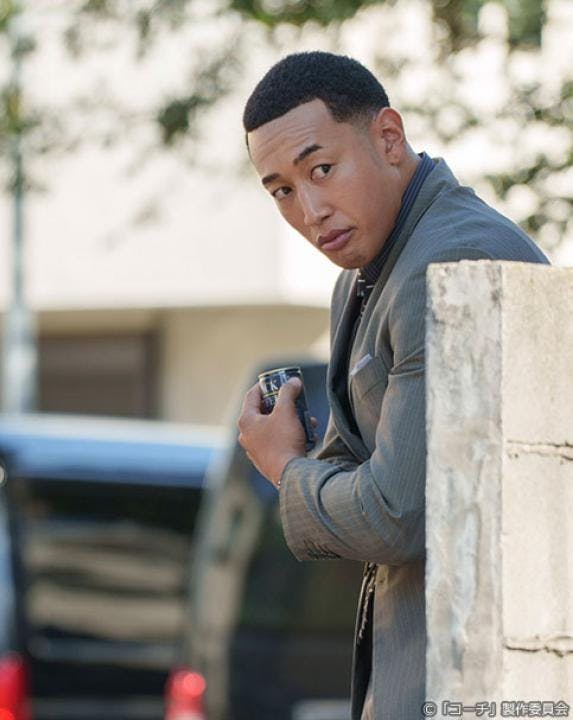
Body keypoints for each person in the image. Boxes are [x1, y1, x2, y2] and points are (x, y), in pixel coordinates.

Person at [235, 52, 547, 719]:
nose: (310, 209)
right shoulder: (362, 275)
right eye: (281, 191)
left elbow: (392, 516)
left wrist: (284, 466)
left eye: (322, 169)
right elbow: (360, 477)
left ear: (387, 137)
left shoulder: (452, 258)